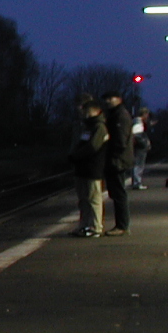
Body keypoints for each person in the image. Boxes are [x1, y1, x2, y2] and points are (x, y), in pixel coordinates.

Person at [70, 99, 108, 236]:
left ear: (94, 111)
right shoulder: (88, 126)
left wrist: (76, 155)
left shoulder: (99, 127)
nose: (83, 113)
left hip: (93, 167)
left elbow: (93, 146)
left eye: (86, 110)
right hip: (83, 167)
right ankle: (84, 225)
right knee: (84, 199)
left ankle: (96, 227)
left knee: (94, 198)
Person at [101, 91, 133, 235]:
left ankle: (122, 226)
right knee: (117, 193)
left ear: (119, 99)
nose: (108, 101)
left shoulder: (120, 116)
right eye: (106, 99)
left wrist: (113, 154)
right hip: (117, 159)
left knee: (119, 193)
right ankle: (121, 225)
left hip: (117, 160)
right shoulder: (116, 114)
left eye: (111, 98)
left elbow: (120, 139)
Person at [130, 107, 152, 189]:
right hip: (140, 148)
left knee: (136, 165)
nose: (147, 117)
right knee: (139, 165)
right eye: (147, 115)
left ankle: (135, 182)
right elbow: (137, 136)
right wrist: (144, 144)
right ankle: (137, 183)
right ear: (144, 114)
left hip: (137, 147)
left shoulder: (136, 122)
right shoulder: (138, 123)